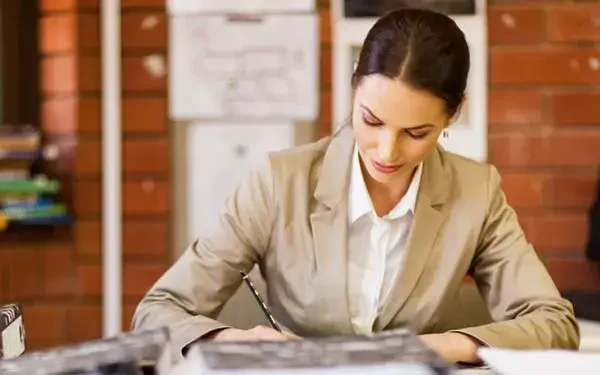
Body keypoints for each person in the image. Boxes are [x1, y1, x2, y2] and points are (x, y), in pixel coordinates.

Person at [131, 8, 579, 364]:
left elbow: (554, 325)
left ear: (453, 114)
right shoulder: (279, 182)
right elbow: (156, 313)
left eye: (416, 133)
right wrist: (228, 339)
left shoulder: (476, 192)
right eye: (371, 120)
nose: (387, 151)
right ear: (353, 87)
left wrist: (443, 347)